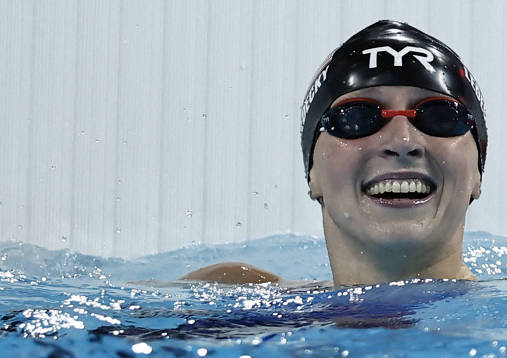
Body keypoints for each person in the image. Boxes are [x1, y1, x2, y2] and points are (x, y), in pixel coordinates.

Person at [182, 20, 488, 288]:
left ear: (477, 172)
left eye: (440, 116)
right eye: (356, 117)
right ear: (312, 171)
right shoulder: (231, 295)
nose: (403, 140)